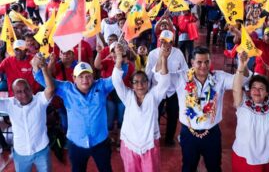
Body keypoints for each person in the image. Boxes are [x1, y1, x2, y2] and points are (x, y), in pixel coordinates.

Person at [169, 46, 251, 172]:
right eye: (199, 62)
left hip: (212, 134)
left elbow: (242, 81)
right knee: (188, 167)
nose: (203, 65)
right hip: (188, 133)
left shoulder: (219, 78)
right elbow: (162, 78)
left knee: (214, 167)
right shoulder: (182, 78)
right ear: (192, 62)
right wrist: (163, 58)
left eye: (207, 61)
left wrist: (243, 65)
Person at [34, 61, 114, 172]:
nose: (85, 80)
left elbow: (117, 78)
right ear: (74, 78)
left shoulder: (101, 86)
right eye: (80, 76)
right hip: (76, 144)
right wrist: (39, 69)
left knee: (106, 169)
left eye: (88, 76)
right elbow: (48, 83)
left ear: (93, 76)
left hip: (100, 142)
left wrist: (121, 60)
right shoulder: (67, 89)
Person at [112, 43, 170, 172]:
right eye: (136, 82)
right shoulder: (127, 96)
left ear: (148, 83)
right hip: (129, 145)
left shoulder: (153, 96)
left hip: (149, 145)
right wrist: (119, 59)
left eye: (143, 81)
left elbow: (165, 82)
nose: (140, 85)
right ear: (131, 85)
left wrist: (164, 59)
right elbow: (116, 80)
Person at [232, 52, 269, 172]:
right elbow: (236, 88)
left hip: (264, 157)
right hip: (242, 154)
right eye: (253, 87)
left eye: (261, 89)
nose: (256, 91)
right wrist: (241, 67)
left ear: (267, 93)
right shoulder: (243, 103)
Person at [0, 53, 54, 172]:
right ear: (13, 94)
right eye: (18, 92)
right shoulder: (9, 104)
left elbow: (50, 89)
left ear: (31, 88)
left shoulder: (40, 100)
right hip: (21, 153)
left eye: (26, 89)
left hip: (42, 150)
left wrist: (44, 68)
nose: (23, 94)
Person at [146, 30, 188, 146]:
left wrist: (176, 74)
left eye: (168, 42)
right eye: (163, 41)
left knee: (173, 114)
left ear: (172, 42)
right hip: (157, 90)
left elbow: (185, 70)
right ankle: (155, 136)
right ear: (159, 41)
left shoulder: (178, 53)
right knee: (155, 114)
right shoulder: (153, 54)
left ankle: (169, 138)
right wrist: (147, 91)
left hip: (172, 90)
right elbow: (148, 73)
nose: (165, 44)